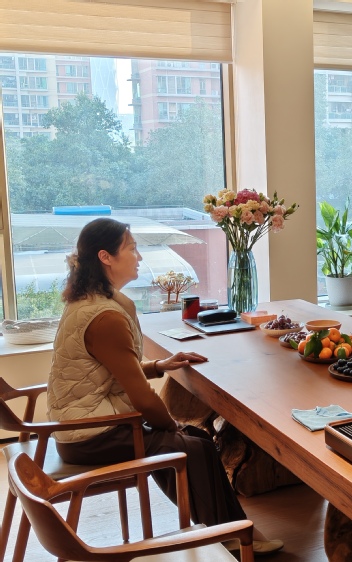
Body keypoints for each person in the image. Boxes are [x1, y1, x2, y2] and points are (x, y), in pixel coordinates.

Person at [47, 218, 283, 555]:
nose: (139, 256)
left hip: (85, 425)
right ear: (106, 257)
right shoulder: (106, 317)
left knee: (198, 438)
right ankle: (228, 536)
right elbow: (142, 398)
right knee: (190, 446)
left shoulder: (90, 303)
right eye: (132, 248)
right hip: (90, 435)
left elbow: (107, 373)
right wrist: (171, 424)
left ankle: (231, 530)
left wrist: (158, 366)